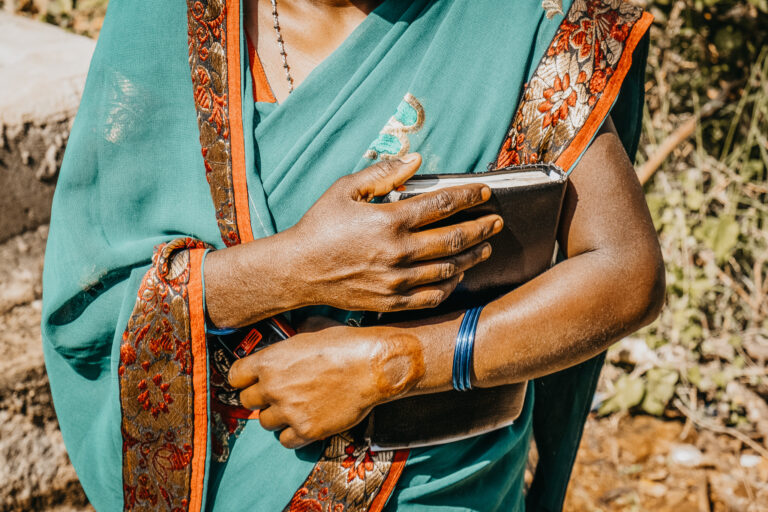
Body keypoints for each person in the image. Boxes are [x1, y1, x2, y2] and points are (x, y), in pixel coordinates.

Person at [41, 0, 662, 510]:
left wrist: (396, 363)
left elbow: (623, 269)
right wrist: (300, 268)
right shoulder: (165, 20)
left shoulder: (510, 20)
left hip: (439, 487)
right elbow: (92, 309)